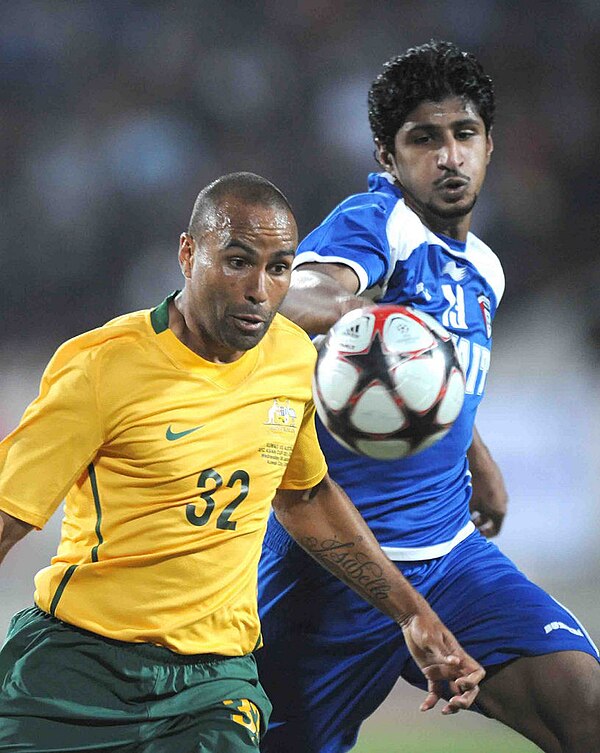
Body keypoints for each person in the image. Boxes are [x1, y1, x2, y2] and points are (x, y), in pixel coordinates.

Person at [0, 172, 485, 752]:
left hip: (215, 682)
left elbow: (304, 495)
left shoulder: (289, 356)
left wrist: (411, 615)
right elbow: (7, 518)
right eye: (237, 261)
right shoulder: (100, 369)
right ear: (188, 254)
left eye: (279, 267)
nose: (259, 288)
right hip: (77, 664)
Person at [256, 42, 600, 753]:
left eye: (463, 135)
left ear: (488, 144)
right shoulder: (379, 223)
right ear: (388, 156)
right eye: (424, 138)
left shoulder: (484, 268)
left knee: (586, 707)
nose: (449, 156)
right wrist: (339, 308)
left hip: (451, 560)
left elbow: (432, 382)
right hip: (334, 578)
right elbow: (308, 287)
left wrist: (480, 457)